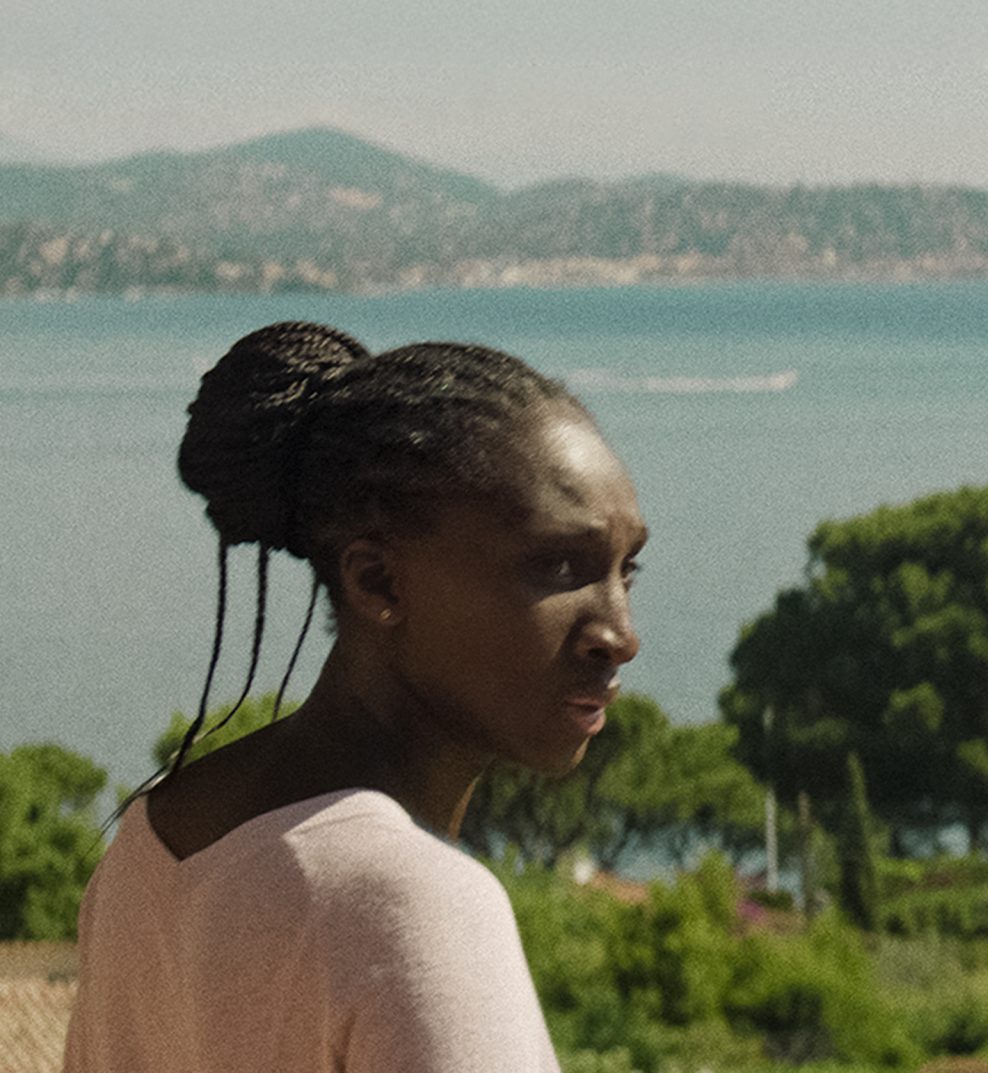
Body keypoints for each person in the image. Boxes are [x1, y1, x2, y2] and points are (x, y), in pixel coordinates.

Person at [63, 321, 646, 1072]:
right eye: (558, 566)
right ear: (378, 581)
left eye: (627, 570)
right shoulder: (419, 908)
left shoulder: (151, 845)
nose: (620, 635)